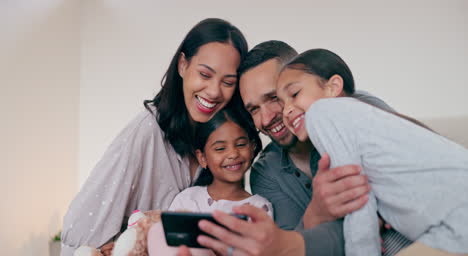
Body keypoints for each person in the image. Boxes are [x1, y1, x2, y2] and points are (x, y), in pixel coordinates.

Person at [177, 41, 411, 256]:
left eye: (273, 97)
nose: (267, 118)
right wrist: (318, 210)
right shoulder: (267, 172)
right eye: (254, 109)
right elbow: (290, 247)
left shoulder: (352, 107)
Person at [60, 18, 248, 256]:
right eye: (204, 74)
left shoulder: (220, 145)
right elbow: (81, 230)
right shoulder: (146, 131)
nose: (213, 91)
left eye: (228, 82)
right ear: (182, 65)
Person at [276, 48, 468, 255]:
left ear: (333, 87)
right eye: (282, 103)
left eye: (294, 94)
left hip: (455, 219)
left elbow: (357, 200)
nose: (286, 110)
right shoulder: (365, 119)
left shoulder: (321, 113)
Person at [147, 107, 273, 255]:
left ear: (252, 147)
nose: (233, 154)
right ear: (202, 158)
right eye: (220, 148)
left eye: (240, 144)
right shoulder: (188, 199)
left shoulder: (259, 208)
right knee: (157, 232)